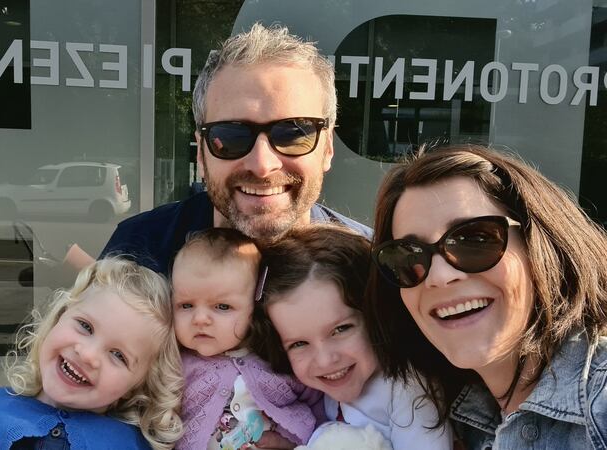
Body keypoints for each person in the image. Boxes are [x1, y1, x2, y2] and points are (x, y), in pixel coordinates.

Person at [366, 143, 607, 449]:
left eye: (474, 239)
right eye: (406, 257)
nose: (440, 277)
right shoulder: (448, 418)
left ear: (542, 245)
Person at [100, 23, 369, 273]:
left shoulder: (367, 268)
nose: (263, 165)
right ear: (201, 155)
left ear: (328, 149)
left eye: (292, 134)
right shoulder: (138, 253)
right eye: (232, 137)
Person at [0, 258, 183, 450]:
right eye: (85, 326)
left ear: (136, 386)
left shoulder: (127, 444)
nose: (87, 355)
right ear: (58, 317)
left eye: (118, 355)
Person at [261, 224, 452, 449]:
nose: (325, 360)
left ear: (376, 314)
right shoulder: (321, 390)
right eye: (299, 344)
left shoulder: (408, 392)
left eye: (341, 329)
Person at [171, 228, 323, 450]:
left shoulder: (276, 359)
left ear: (254, 309)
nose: (200, 319)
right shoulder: (174, 366)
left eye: (222, 306)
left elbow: (317, 402)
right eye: (186, 305)